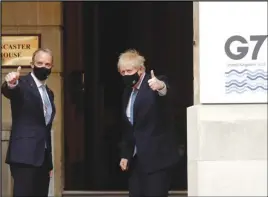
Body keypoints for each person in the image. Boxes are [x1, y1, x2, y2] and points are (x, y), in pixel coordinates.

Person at [118, 49, 179, 197]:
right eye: (123, 72)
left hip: (157, 161)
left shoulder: (153, 84)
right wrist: (126, 154)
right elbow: (130, 127)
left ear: (140, 70)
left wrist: (161, 87)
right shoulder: (128, 92)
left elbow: (169, 96)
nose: (126, 74)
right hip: (137, 161)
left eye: (129, 70)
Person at [1, 48, 56, 197]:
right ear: (32, 64)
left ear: (51, 67)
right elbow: (10, 91)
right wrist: (11, 83)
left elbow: (45, 128)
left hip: (42, 160)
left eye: (47, 64)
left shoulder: (49, 93)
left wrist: (49, 162)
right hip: (24, 156)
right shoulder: (22, 84)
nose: (43, 67)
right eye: (39, 63)